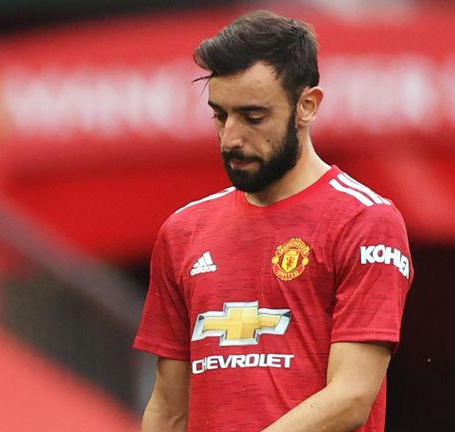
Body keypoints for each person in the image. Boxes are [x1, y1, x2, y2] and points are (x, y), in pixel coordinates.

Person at [134, 10, 412, 432]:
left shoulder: (365, 221)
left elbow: (351, 397)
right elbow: (169, 409)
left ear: (307, 106)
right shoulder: (183, 231)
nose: (231, 138)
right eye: (220, 115)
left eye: (253, 117)